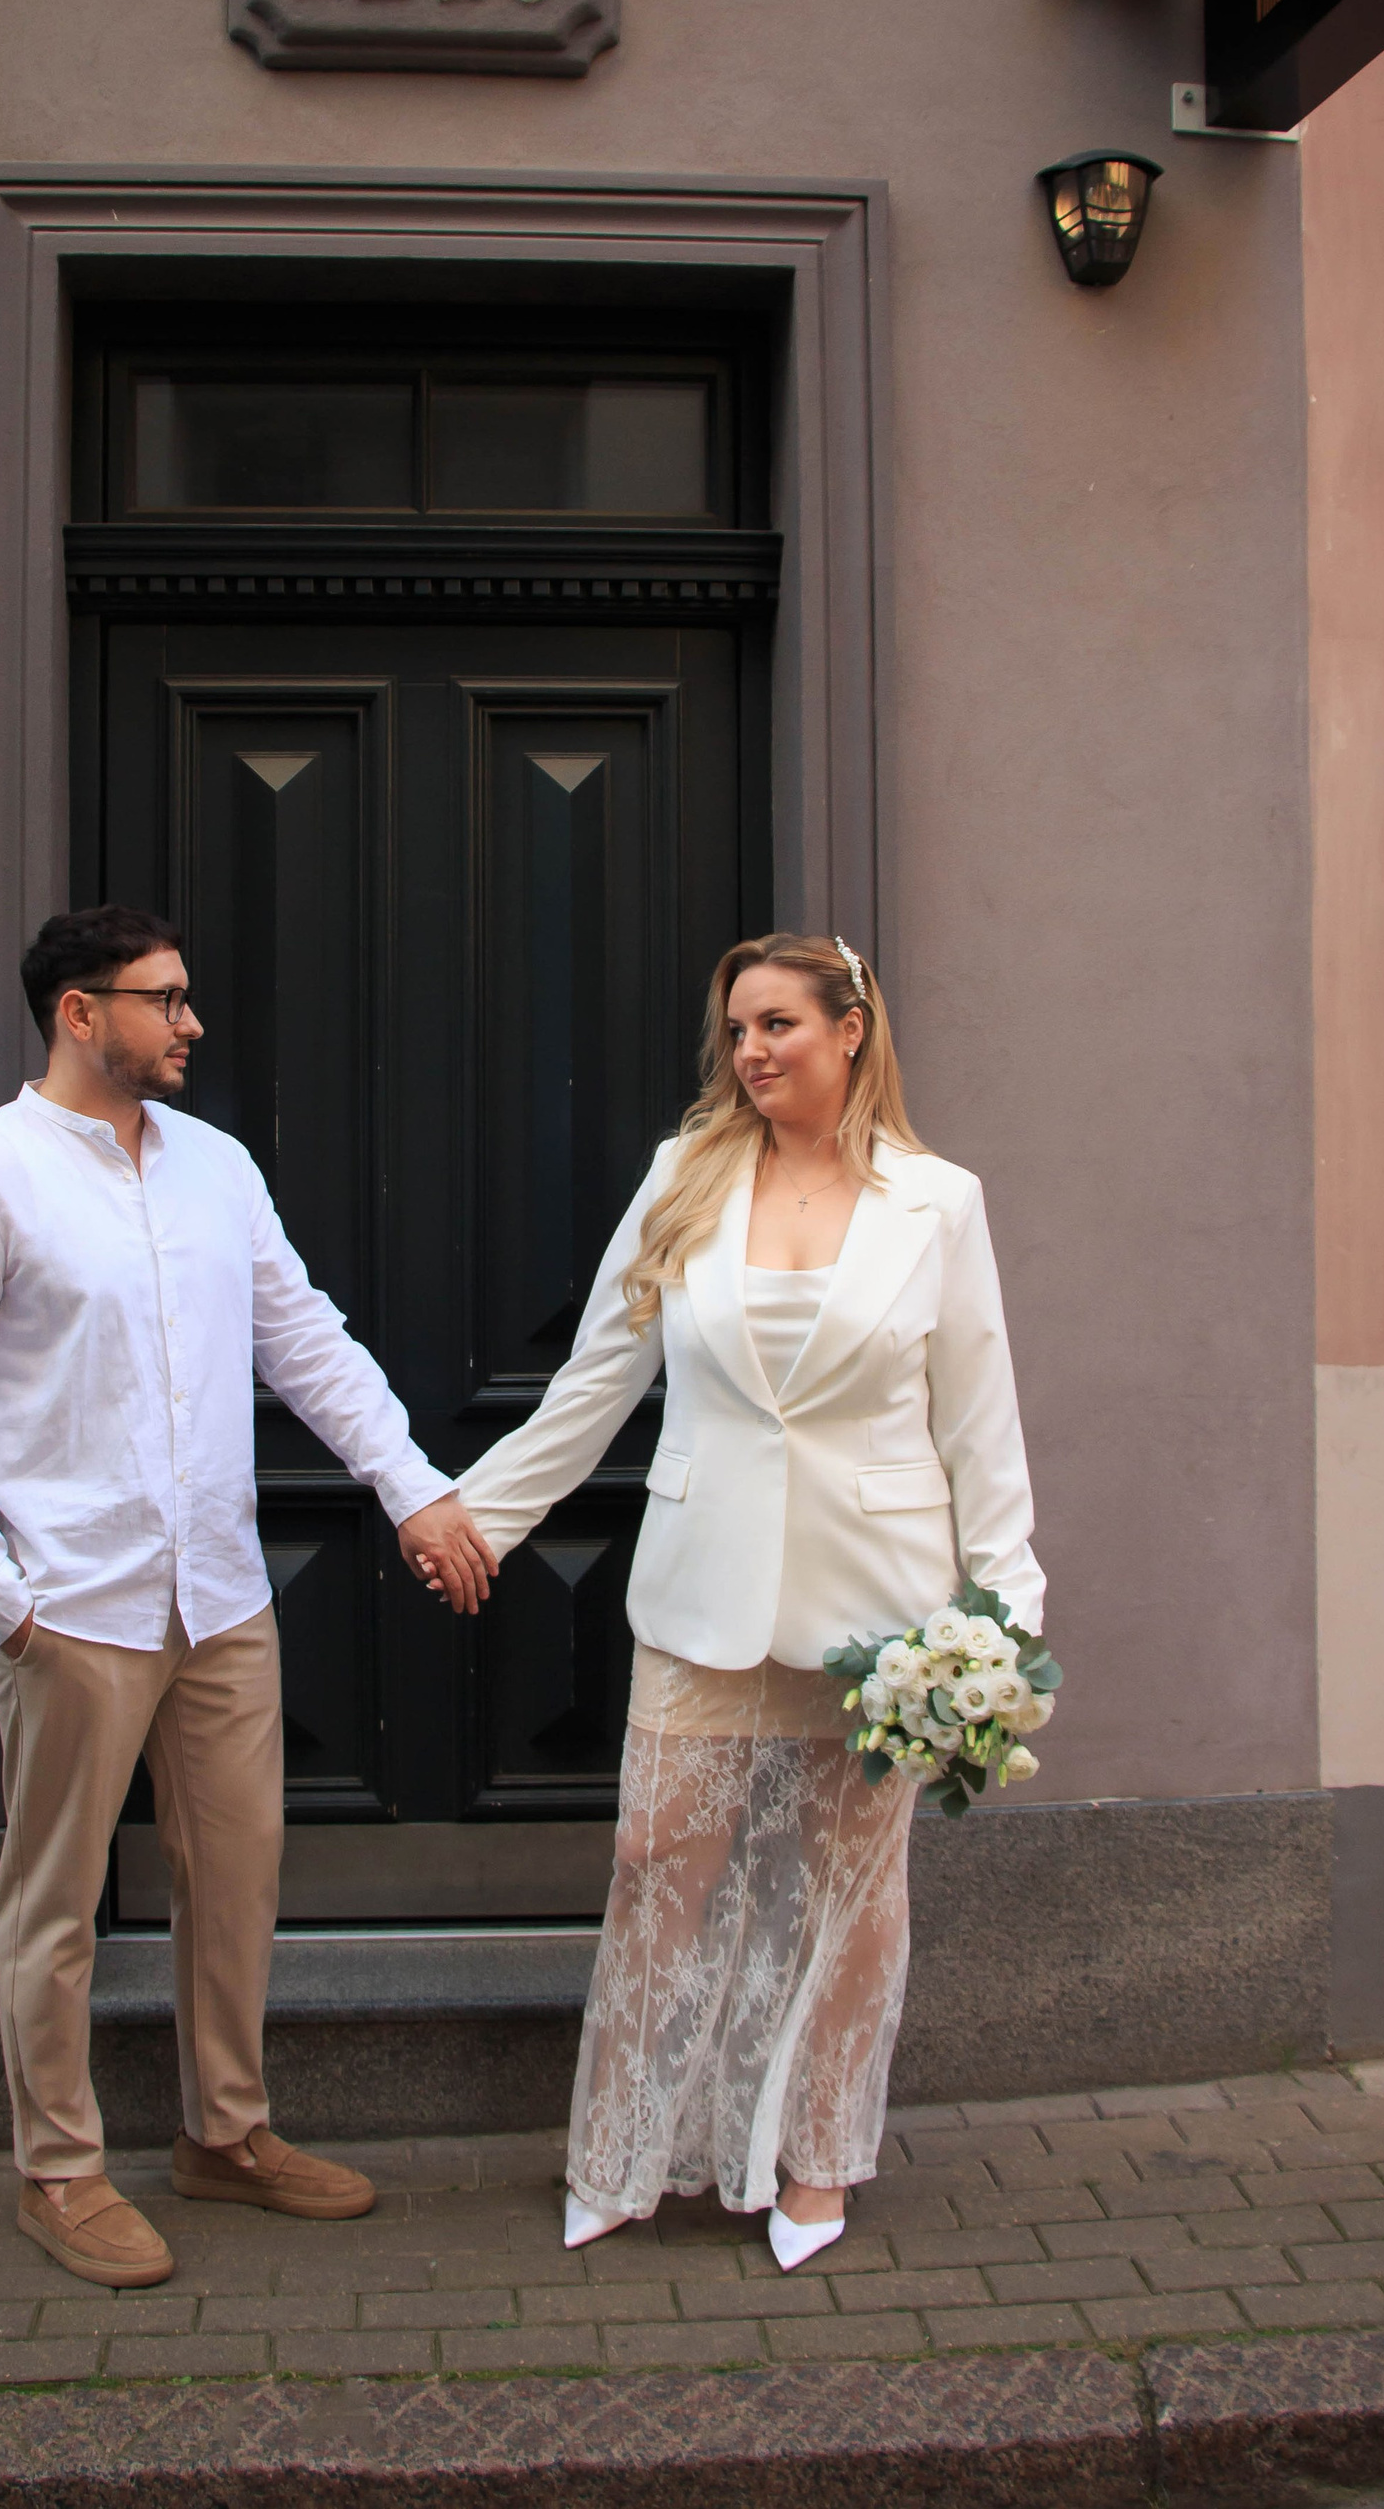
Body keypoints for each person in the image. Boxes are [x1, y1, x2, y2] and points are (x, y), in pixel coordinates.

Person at [0, 903, 496, 2288]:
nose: (191, 1022)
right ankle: (60, 2169)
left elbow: (304, 1337)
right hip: (70, 1605)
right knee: (54, 1902)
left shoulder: (217, 1167)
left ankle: (226, 2132)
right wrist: (0, 1603)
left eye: (186, 995)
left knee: (237, 1875)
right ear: (79, 1012)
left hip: (217, 1593)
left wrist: (412, 1486)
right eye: (164, 998)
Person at [458, 932, 1044, 2272]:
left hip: (879, 1613)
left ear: (851, 1028)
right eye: (736, 1030)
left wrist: (1003, 1623)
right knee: (655, 1856)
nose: (751, 1050)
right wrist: (477, 1518)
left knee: (853, 1891)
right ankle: (625, 2152)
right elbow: (595, 1380)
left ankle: (819, 2160)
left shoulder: (937, 1203)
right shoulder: (686, 1175)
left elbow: (981, 1424)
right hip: (703, 1586)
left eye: (778, 1023)